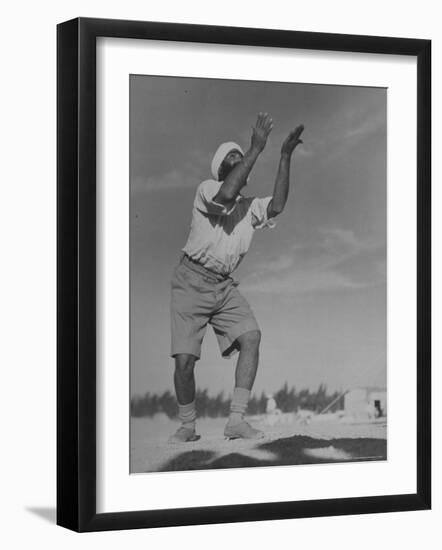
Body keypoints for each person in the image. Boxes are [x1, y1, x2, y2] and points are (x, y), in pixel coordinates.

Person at [169, 113, 304, 443]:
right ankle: (187, 426)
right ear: (221, 170)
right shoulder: (208, 189)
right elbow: (226, 197)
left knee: (252, 337)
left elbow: (278, 205)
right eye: (233, 157)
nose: (240, 158)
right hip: (190, 280)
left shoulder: (249, 208)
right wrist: (256, 149)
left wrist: (284, 156)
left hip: (223, 285)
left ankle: (236, 421)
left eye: (240, 155)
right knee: (185, 361)